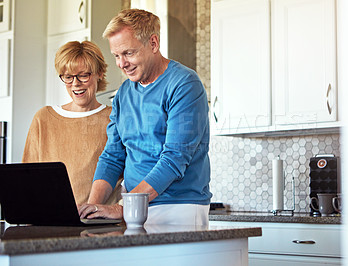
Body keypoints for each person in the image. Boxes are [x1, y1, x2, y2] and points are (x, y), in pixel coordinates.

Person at [79, 9, 212, 225]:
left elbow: (174, 159)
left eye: (128, 53)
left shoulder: (184, 84)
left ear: (153, 44)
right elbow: (113, 156)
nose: (122, 64)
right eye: (116, 56)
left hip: (178, 209)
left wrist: (122, 207)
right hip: (134, 208)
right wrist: (91, 209)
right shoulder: (124, 93)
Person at [23, 41, 122, 206]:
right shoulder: (43, 118)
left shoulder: (115, 117)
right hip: (51, 223)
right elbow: (27, 180)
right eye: (68, 77)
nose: (75, 83)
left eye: (83, 75)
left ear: (100, 73)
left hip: (102, 225)